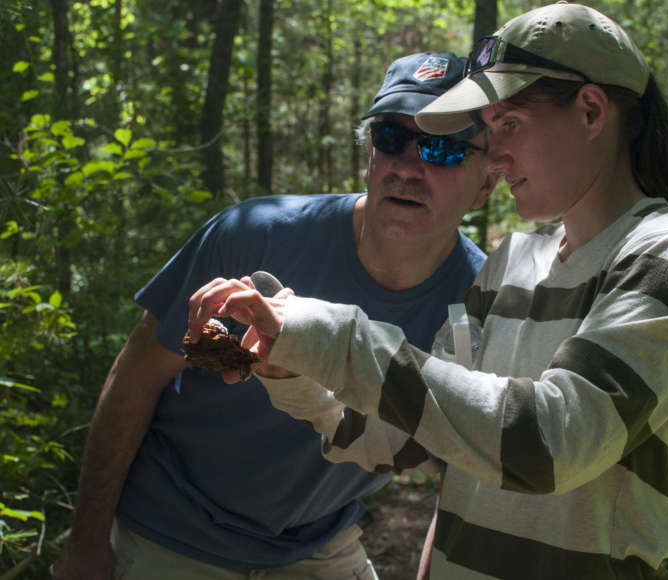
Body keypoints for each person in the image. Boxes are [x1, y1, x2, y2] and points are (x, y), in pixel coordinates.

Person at [188, 4, 668, 579]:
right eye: (490, 130)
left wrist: (332, 336)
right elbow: (400, 440)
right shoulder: (513, 262)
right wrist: (289, 365)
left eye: (510, 125)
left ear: (591, 111)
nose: (495, 157)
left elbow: (549, 442)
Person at [53, 51, 497, 580]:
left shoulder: (480, 301)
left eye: (442, 149)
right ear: (370, 155)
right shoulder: (256, 234)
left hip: (320, 542)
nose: (408, 165)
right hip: (174, 530)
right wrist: (85, 543)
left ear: (487, 184)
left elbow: (466, 469)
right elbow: (137, 377)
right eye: (390, 138)